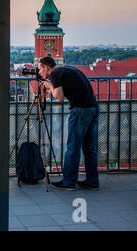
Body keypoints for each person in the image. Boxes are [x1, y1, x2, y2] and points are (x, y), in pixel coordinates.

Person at [38, 56, 99, 191]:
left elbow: (58, 98)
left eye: (40, 69)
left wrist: (49, 86)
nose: (40, 73)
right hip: (93, 108)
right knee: (90, 147)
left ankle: (69, 181)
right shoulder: (67, 70)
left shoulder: (55, 74)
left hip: (80, 110)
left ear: (46, 67)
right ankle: (92, 181)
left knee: (73, 147)